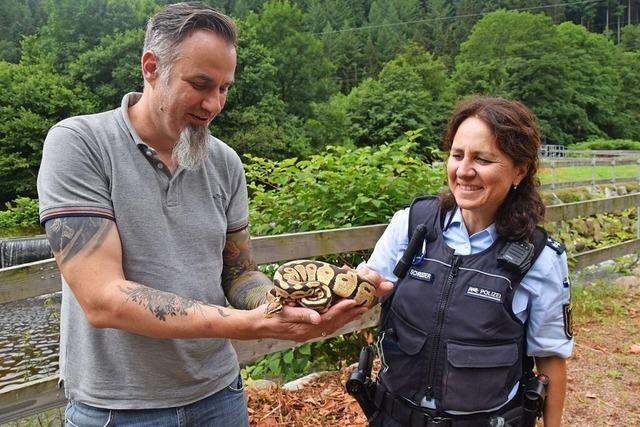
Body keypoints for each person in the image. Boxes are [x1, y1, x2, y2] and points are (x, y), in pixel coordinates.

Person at [37, 3, 390, 426]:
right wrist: (250, 325)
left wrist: (289, 304)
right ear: (151, 67)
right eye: (200, 84)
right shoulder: (79, 144)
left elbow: (238, 272)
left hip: (219, 395)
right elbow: (103, 299)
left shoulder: (224, 162)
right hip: (119, 408)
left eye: (224, 88)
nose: (214, 104)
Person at [357, 97, 573, 427]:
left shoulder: (540, 257)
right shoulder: (412, 224)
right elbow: (368, 283)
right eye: (457, 155)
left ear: (520, 170)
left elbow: (551, 357)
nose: (463, 170)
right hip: (393, 417)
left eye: (483, 159)